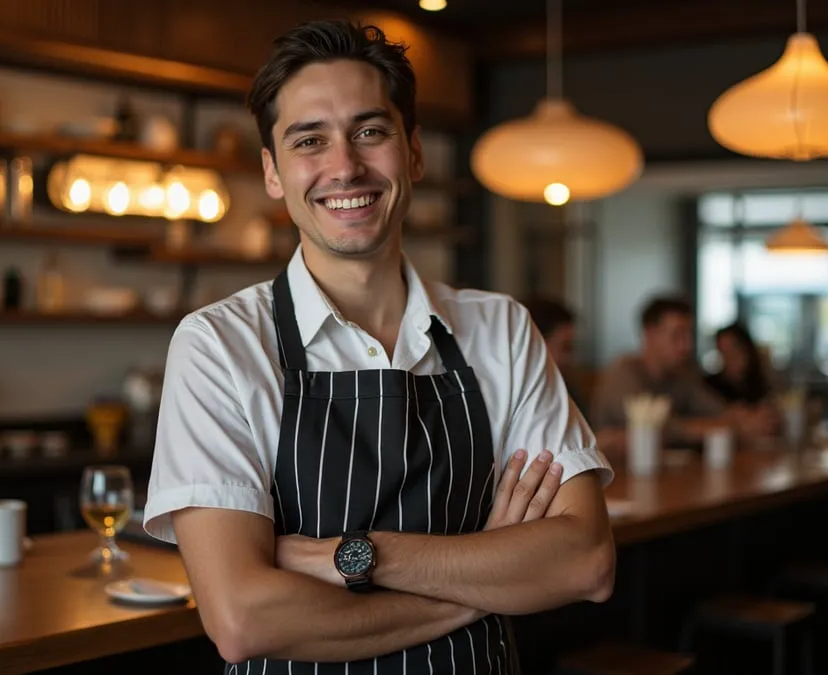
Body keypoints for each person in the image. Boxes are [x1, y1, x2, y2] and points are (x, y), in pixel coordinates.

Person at [143, 19, 614, 675]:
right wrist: (483, 575)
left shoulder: (501, 329)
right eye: (310, 140)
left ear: (414, 152)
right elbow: (243, 618)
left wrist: (353, 554)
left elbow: (585, 560)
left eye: (370, 131)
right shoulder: (219, 345)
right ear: (273, 173)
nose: (344, 166)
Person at [591, 295, 775, 456]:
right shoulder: (623, 373)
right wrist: (733, 427)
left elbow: (718, 410)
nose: (686, 345)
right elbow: (662, 430)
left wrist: (748, 418)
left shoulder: (682, 374)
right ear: (649, 335)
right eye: (677, 335)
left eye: (688, 335)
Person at [522, 296, 587, 415]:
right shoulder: (516, 403)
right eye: (566, 348)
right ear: (535, 347)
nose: (571, 358)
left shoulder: (566, 389)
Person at [705, 322, 772, 405]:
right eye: (724, 352)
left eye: (733, 350)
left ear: (746, 349)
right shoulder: (710, 387)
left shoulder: (764, 382)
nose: (729, 358)